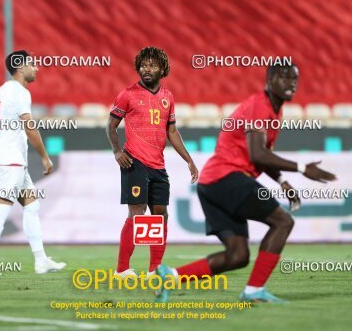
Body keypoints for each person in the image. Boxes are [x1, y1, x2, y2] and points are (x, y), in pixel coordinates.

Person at [156, 64, 336, 302]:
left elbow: (262, 154)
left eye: (295, 78)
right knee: (282, 222)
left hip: (211, 184)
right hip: (226, 178)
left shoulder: (273, 110)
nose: (291, 83)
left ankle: (171, 277)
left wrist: (282, 181)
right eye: (284, 77)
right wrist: (302, 169)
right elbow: (257, 155)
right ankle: (253, 291)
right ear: (269, 79)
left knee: (238, 255)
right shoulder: (260, 106)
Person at [0, 50, 65, 275]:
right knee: (1, 208)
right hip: (11, 161)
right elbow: (30, 127)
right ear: (20, 68)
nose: (36, 68)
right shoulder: (20, 93)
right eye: (32, 64)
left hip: (10, 159)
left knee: (31, 205)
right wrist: (45, 156)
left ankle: (41, 260)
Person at [106, 47, 198, 277]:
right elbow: (111, 125)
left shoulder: (168, 97)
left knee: (160, 215)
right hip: (134, 163)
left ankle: (154, 269)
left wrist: (189, 160)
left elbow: (173, 132)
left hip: (158, 166)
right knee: (137, 214)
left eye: (152, 66)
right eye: (143, 65)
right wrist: (117, 151)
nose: (147, 70)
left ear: (162, 69)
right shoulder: (127, 94)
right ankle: (122, 269)